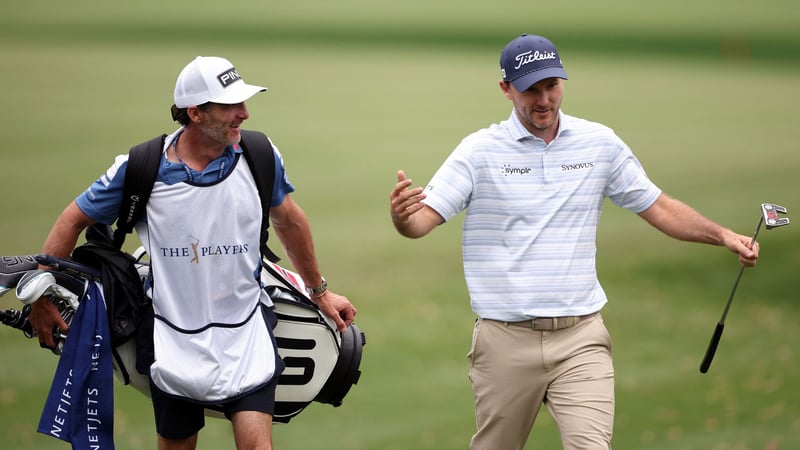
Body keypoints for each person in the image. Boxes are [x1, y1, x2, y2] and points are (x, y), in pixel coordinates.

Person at [389, 34, 759, 450]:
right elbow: (422, 221)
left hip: (581, 338)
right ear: (506, 89)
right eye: (531, 90)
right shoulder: (479, 152)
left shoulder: (598, 143)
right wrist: (403, 217)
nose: (544, 100)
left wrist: (722, 235)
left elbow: (658, 206)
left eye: (552, 86)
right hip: (505, 341)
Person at [29, 55, 357, 450]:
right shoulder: (141, 167)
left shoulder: (259, 155)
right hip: (171, 338)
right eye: (231, 105)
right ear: (196, 112)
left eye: (243, 103)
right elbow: (72, 219)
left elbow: (289, 221)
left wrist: (319, 291)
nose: (244, 113)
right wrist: (42, 295)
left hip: (248, 332)